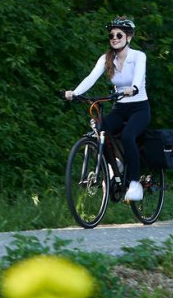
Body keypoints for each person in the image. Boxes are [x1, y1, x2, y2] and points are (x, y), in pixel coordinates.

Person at [64, 17, 150, 201]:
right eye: (111, 35)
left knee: (128, 136)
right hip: (120, 107)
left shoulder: (138, 56)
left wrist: (133, 88)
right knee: (99, 132)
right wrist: (75, 92)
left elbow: (138, 77)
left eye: (119, 34)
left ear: (128, 37)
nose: (114, 38)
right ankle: (114, 167)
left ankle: (135, 184)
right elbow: (91, 77)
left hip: (139, 108)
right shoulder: (107, 58)